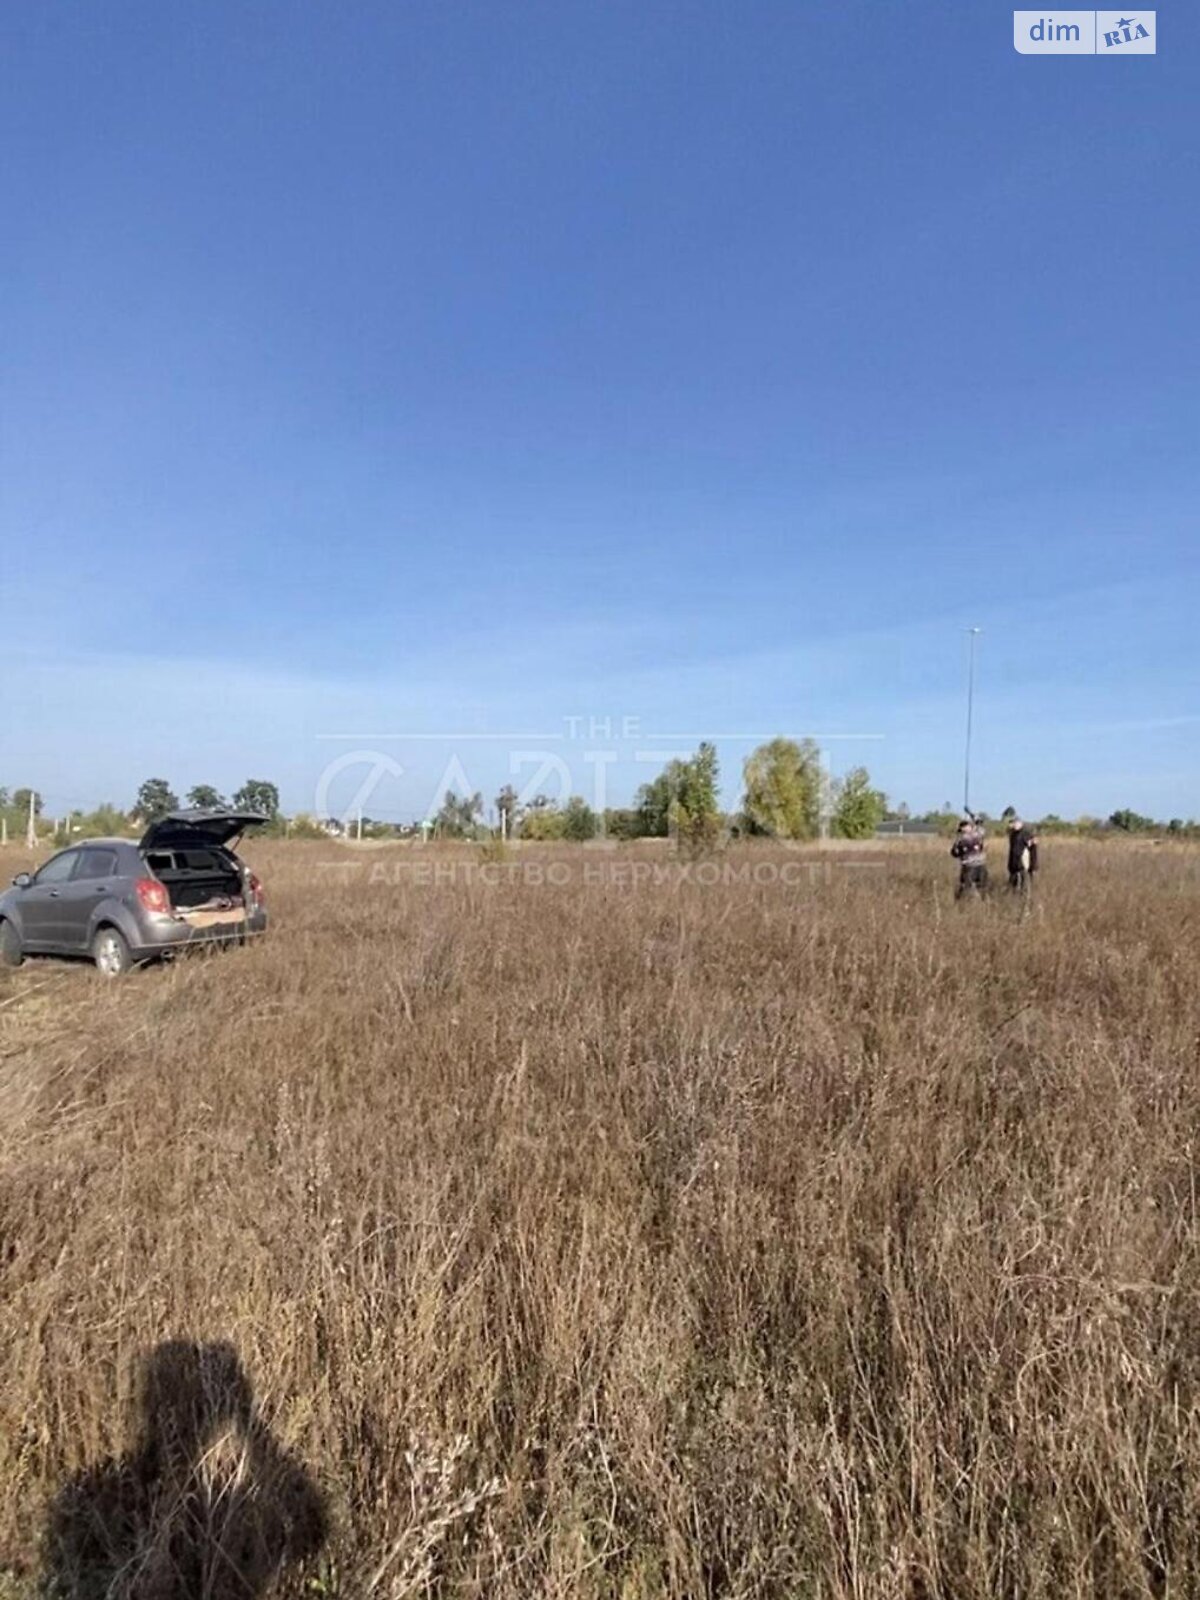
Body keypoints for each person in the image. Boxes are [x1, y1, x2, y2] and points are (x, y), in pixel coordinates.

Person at [951, 815, 988, 898]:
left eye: (966, 825)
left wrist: (973, 815)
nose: (965, 828)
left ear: (970, 825)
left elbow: (980, 825)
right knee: (966, 887)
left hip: (980, 864)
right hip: (968, 866)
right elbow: (954, 853)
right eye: (963, 826)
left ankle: (980, 903)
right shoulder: (960, 838)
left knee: (982, 886)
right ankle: (962, 902)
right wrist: (957, 851)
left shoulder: (978, 833)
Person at [1006, 815, 1039, 894]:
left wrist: (1033, 866)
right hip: (1013, 865)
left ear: (1021, 823)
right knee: (1012, 887)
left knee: (1023, 887)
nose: (1015, 825)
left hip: (1022, 865)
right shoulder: (1013, 835)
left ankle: (1025, 902)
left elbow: (1032, 847)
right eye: (1014, 823)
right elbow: (1011, 850)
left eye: (1017, 823)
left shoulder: (1025, 833)